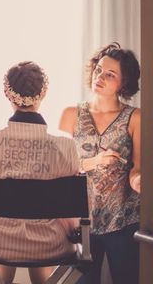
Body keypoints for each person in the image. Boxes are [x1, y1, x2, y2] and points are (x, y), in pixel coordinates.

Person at [0, 61, 80, 284]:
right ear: (44, 92)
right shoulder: (65, 145)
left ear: (7, 93)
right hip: (48, 245)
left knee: (4, 230)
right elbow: (76, 204)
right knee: (45, 230)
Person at [59, 42, 141, 284]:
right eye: (98, 70)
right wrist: (93, 161)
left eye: (110, 74)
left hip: (123, 222)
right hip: (80, 224)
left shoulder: (135, 117)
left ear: (123, 83)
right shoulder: (70, 114)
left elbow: (138, 168)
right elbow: (61, 169)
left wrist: (139, 181)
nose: (100, 77)